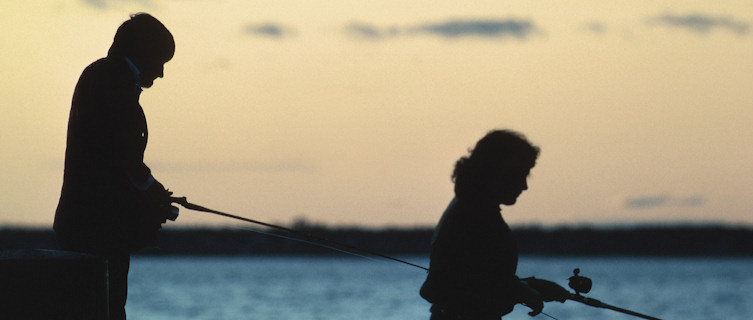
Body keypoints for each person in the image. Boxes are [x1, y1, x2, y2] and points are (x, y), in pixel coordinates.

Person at [54, 13, 178, 320]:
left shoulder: (103, 75)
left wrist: (150, 196)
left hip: (90, 226)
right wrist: (154, 193)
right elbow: (121, 155)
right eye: (161, 61)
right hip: (97, 230)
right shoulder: (113, 79)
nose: (161, 73)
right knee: (105, 309)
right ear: (144, 51)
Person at [420, 129, 569, 319]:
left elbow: (479, 278)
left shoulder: (473, 208)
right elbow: (449, 288)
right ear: (499, 172)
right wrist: (522, 291)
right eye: (521, 174)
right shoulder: (473, 215)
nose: (524, 186)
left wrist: (530, 286)